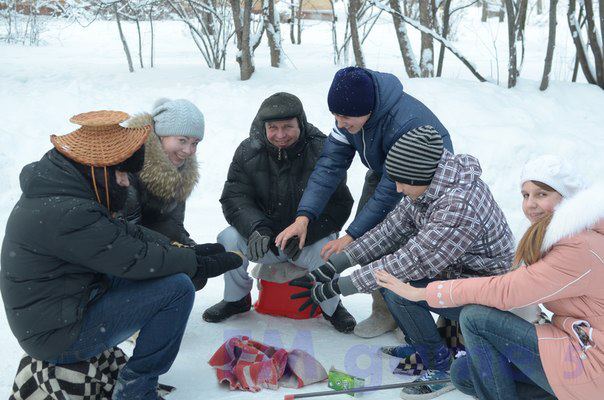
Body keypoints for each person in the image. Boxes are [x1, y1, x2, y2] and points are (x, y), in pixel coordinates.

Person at [0, 110, 242, 400]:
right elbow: (136, 259)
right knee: (177, 289)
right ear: (99, 169)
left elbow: (125, 235)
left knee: (170, 275)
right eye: (122, 173)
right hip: (57, 336)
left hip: (68, 303)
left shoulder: (67, 188)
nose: (127, 183)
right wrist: (198, 264)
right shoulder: (68, 211)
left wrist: (185, 251)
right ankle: (135, 390)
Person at [290, 127, 515, 398]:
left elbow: (412, 260)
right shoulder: (429, 185)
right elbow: (390, 230)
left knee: (398, 289)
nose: (397, 188)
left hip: (489, 293)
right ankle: (427, 346)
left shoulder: (458, 205)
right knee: (394, 285)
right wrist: (335, 264)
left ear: (419, 174)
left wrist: (340, 286)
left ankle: (440, 367)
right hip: (459, 273)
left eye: (401, 182)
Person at [374, 154, 600, 400]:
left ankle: (438, 360)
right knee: (463, 372)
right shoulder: (563, 236)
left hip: (591, 364)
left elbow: (508, 291)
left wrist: (424, 293)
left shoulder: (579, 247)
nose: (530, 204)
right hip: (573, 344)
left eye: (542, 194)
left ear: (566, 197)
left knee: (475, 318)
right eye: (526, 195)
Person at [276, 67, 454, 338]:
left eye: (345, 117)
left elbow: (389, 192)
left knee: (417, 250)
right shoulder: (348, 117)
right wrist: (304, 217)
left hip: (424, 178)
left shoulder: (404, 124)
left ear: (368, 110)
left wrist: (351, 236)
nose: (339, 122)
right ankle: (385, 312)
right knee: (374, 243)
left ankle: (425, 321)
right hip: (385, 171)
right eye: (335, 115)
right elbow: (329, 166)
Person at [202, 92, 356, 332]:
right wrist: (256, 229)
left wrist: (309, 232)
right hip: (263, 242)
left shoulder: (322, 149)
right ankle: (236, 299)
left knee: (327, 250)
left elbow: (340, 204)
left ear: (301, 124)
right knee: (228, 238)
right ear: (263, 127)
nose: (280, 135)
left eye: (288, 127)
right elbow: (234, 197)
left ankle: (332, 306)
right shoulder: (247, 151)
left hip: (305, 243)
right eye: (273, 127)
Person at [122, 98, 204, 246]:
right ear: (161, 134)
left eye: (194, 143)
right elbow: (129, 234)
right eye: (182, 140)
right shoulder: (130, 166)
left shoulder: (181, 171)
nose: (188, 151)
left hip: (154, 248)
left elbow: (173, 226)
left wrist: (191, 248)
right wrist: (184, 257)